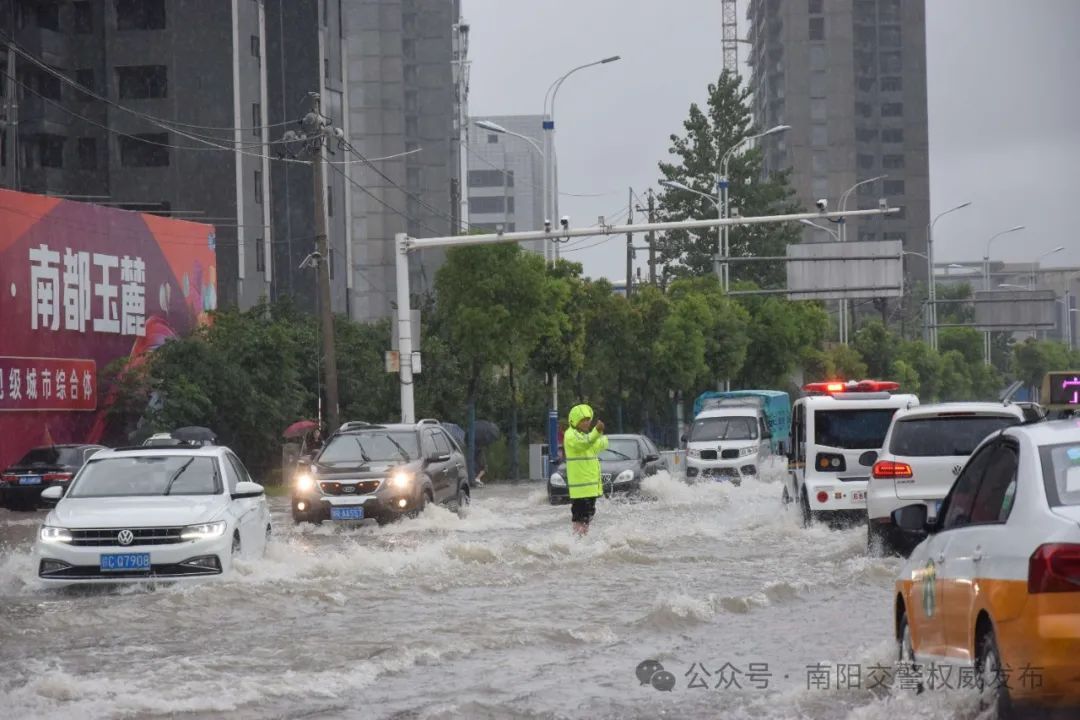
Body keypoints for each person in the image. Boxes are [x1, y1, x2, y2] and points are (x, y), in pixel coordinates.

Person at [563, 404, 608, 536]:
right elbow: (583, 444)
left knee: (587, 518)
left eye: (588, 419)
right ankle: (577, 542)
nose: (586, 422)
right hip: (580, 489)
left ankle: (582, 542)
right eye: (583, 420)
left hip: (591, 487)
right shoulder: (571, 434)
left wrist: (600, 434)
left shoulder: (586, 436)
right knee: (579, 518)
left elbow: (600, 445)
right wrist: (596, 432)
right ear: (575, 420)